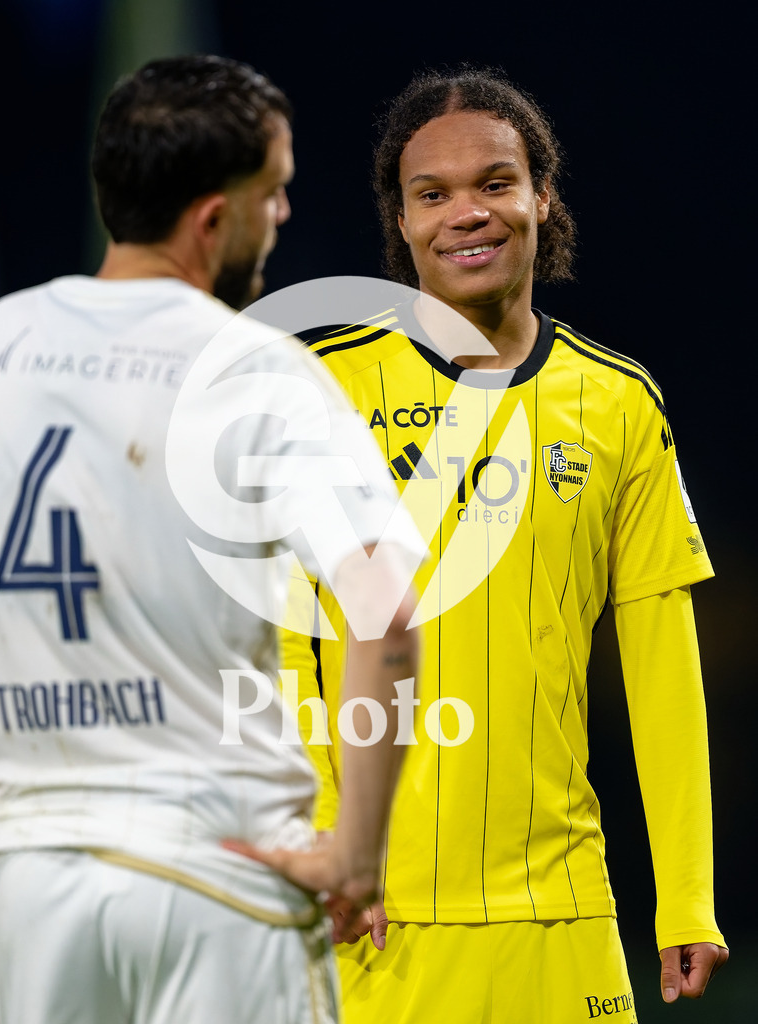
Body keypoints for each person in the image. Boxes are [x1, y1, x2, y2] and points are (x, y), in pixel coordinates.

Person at [0, 55, 422, 1023]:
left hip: (36, 896)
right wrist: (355, 855)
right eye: (273, 192)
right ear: (213, 217)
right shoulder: (254, 370)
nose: (281, 215)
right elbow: (388, 615)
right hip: (223, 879)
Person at [281, 65, 727, 1023]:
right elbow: (283, 644)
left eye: (493, 183)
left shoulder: (617, 403)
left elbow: (660, 662)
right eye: (430, 194)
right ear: (399, 223)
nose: (465, 215)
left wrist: (686, 891)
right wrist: (328, 842)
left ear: (541, 196)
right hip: (374, 918)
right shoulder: (323, 392)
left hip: (561, 916)